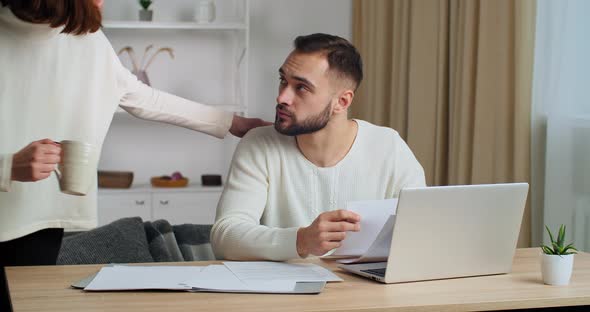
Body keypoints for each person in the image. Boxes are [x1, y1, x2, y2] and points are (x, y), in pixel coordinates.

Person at [0, 0, 270, 310]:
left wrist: (233, 123)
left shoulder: (89, 41)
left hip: (42, 224)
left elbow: (143, 97)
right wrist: (7, 166)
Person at [211, 33, 426, 261]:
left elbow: (422, 232)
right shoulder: (259, 144)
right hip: (282, 294)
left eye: (301, 87)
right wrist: (301, 240)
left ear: (342, 102)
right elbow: (225, 238)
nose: (282, 97)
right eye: (284, 80)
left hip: (366, 293)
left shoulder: (388, 147)